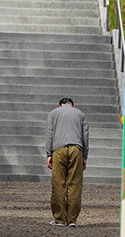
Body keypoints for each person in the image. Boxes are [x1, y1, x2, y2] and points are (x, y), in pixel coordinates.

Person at [46, 97, 89, 227]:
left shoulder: (54, 113)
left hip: (58, 149)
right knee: (75, 184)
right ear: (72, 106)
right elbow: (85, 136)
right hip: (76, 149)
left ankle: (59, 219)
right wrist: (84, 156)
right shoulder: (80, 114)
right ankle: (72, 220)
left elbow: (50, 134)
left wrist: (49, 154)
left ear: (60, 105)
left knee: (58, 183)